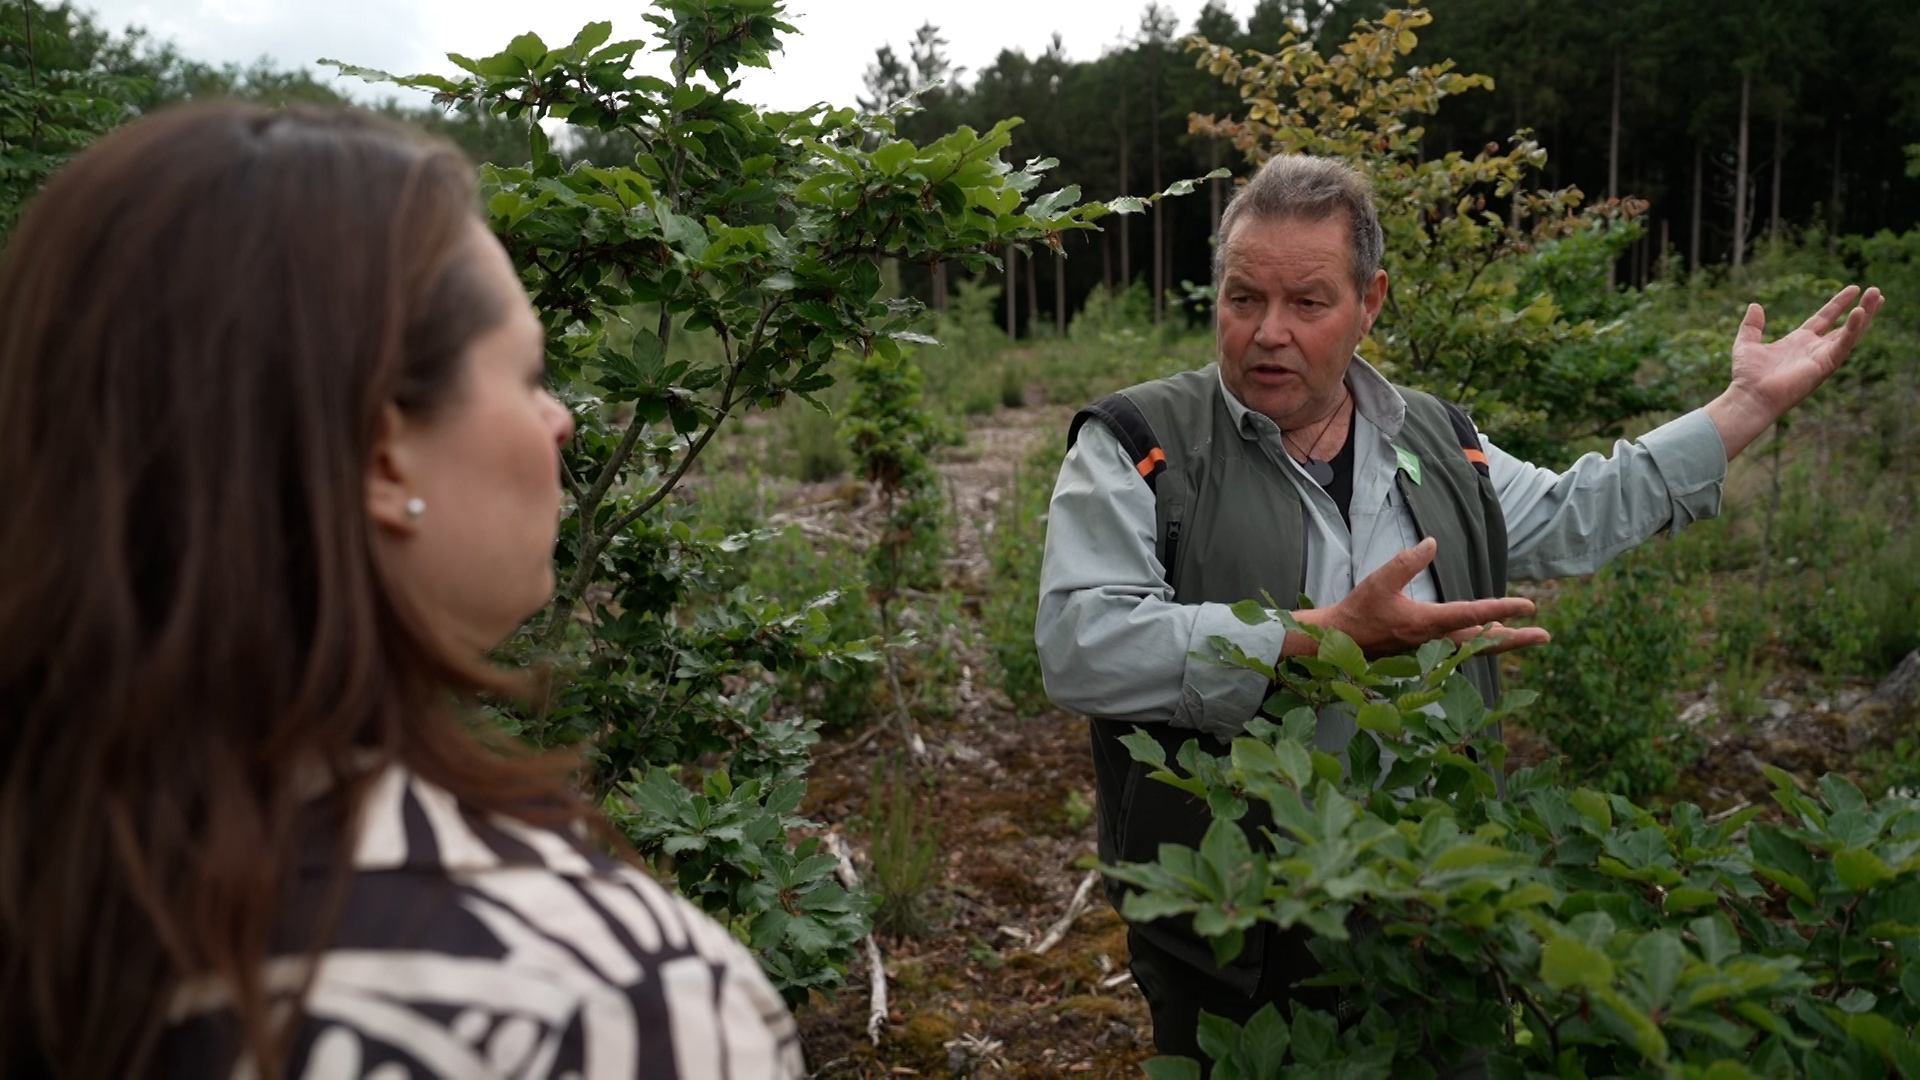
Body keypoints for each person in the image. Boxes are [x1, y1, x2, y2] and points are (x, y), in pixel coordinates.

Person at [0, 103, 803, 1079]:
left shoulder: (60, 880)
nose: (561, 423)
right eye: (529, 373)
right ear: (382, 451)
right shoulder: (603, 1005)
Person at [1035, 153, 1882, 1063]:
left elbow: (1576, 509)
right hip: (1233, 930)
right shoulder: (1141, 444)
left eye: (1308, 303)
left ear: (1372, 302)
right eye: (1243, 299)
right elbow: (1080, 642)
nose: (1268, 332)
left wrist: (1743, 406)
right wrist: (1313, 643)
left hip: (1430, 914)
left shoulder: (1440, 442)